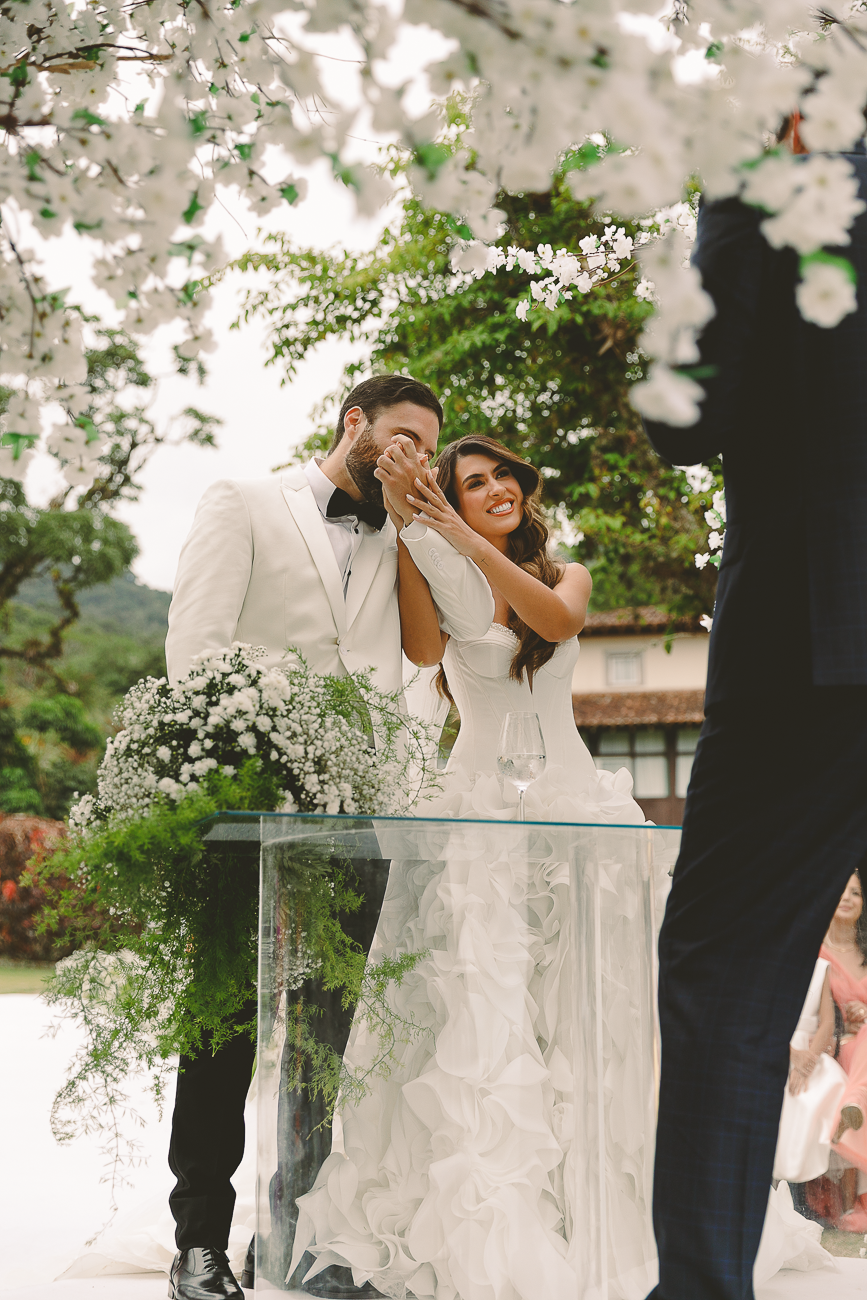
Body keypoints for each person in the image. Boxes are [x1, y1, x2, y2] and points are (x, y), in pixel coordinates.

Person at [285, 435, 647, 1299]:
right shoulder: (434, 550)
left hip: (571, 807)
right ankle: (479, 1227)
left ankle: (585, 1216)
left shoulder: (569, 575)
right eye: (470, 482)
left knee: (575, 1009)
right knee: (478, 1007)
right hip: (476, 810)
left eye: (501, 478)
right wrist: (420, 534)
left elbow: (553, 625)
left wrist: (455, 524)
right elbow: (418, 651)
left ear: (526, 487)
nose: (492, 490)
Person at [161, 377, 495, 1300]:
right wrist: (255, 765)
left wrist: (421, 521)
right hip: (243, 813)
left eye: (425, 450)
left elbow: (423, 662)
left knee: (327, 1035)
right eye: (400, 439)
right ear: (354, 424)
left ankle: (294, 1233)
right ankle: (198, 1243)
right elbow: (193, 655)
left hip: (357, 818)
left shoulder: (400, 540)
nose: (410, 459)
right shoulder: (244, 503)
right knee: (222, 1029)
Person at [642, 137, 867, 1299]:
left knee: (726, 969)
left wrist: (724, 227)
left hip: (817, 642)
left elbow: (683, 412)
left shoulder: (784, 171)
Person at [819, 871, 867, 1226]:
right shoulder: (816, 952)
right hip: (840, 1048)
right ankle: (855, 1100)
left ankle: (856, 1102)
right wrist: (841, 1020)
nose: (849, 897)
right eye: (842, 891)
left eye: (856, 892)